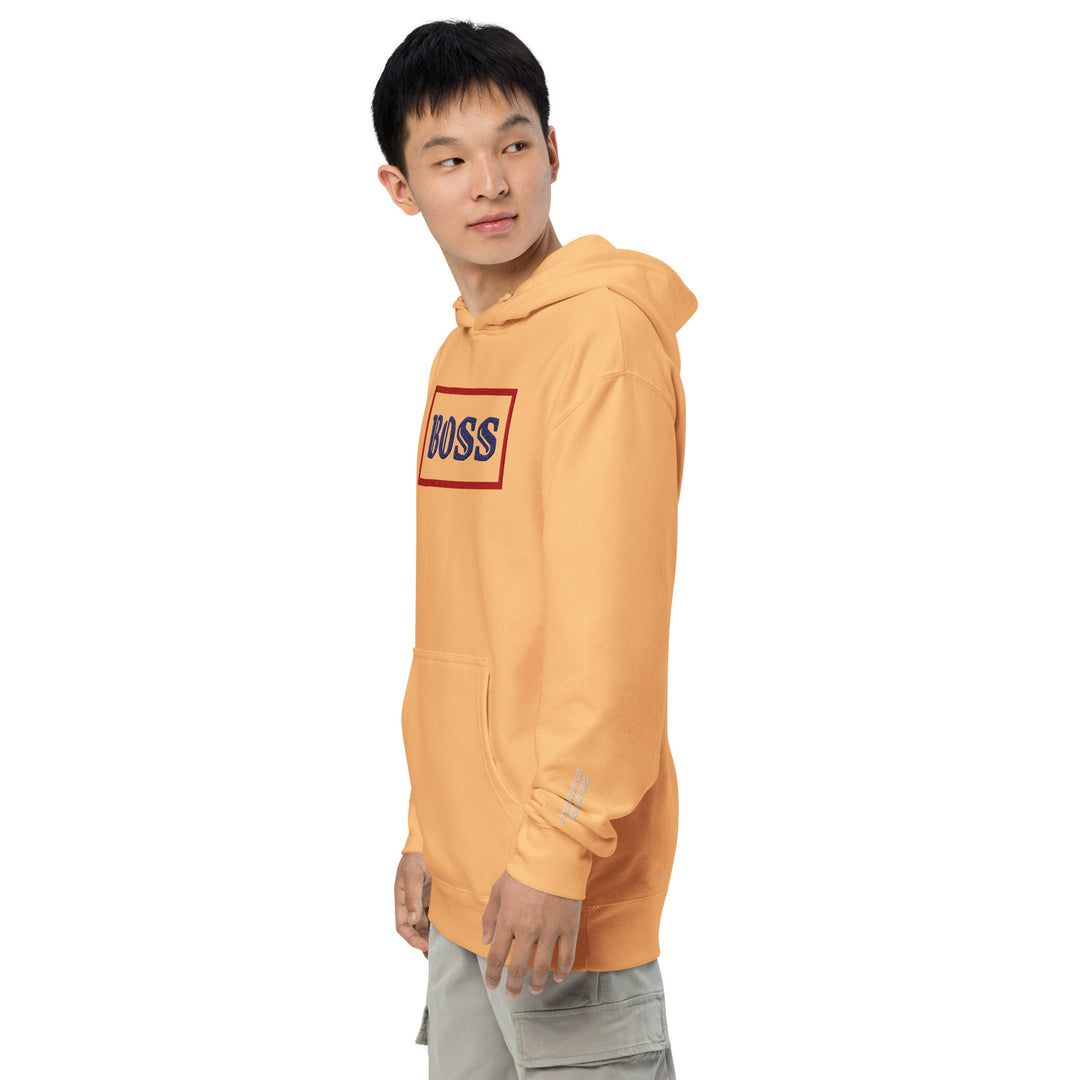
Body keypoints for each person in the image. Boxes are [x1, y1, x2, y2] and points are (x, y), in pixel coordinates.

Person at [373, 20, 696, 1079]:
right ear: (401, 188)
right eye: (449, 160)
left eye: (514, 145)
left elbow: (611, 629)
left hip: (559, 892)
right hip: (470, 887)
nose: (491, 183)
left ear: (553, 152)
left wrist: (557, 849)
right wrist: (427, 826)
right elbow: (457, 619)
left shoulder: (603, 340)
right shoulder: (457, 358)